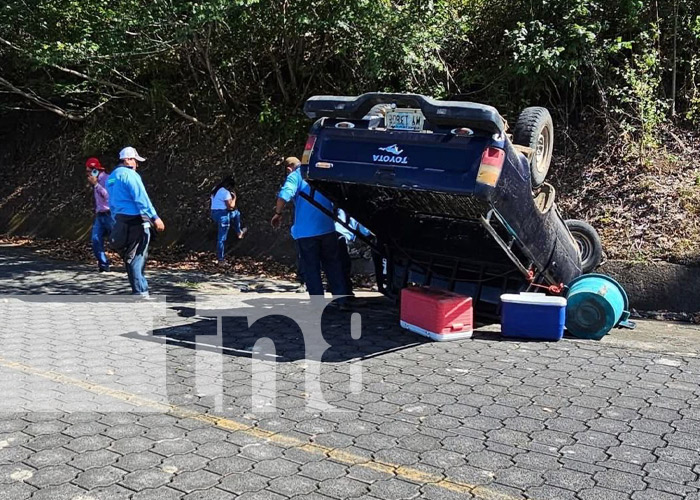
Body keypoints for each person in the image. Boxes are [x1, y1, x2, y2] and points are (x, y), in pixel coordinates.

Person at [271, 162, 348, 303]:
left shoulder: (296, 175)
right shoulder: (325, 171)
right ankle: (342, 300)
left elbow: (284, 194)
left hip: (306, 232)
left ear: (289, 169)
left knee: (311, 268)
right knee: (333, 265)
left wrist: (277, 213)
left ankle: (318, 303)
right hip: (328, 228)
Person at [106, 147, 165, 297]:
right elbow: (141, 198)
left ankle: (138, 289)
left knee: (130, 255)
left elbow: (111, 202)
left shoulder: (111, 177)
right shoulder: (130, 175)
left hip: (120, 221)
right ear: (127, 160)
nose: (136, 165)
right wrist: (155, 217)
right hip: (136, 221)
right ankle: (141, 291)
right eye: (134, 160)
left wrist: (115, 221)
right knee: (137, 256)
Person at [85, 157, 113, 272]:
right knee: (96, 239)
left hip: (110, 214)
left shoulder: (107, 179)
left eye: (88, 171)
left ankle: (130, 260)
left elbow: (108, 197)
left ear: (95, 170)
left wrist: (96, 185)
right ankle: (103, 264)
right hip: (100, 215)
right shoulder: (94, 180)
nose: (87, 174)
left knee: (116, 240)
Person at [334, 208, 371, 296]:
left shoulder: (337, 207)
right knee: (344, 265)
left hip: (328, 234)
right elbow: (365, 231)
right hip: (341, 237)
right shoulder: (355, 211)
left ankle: (338, 289)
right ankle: (345, 294)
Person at [210, 176, 247, 264]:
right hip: (223, 215)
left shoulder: (215, 189)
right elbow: (230, 206)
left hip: (214, 213)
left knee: (236, 214)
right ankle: (221, 259)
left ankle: (239, 232)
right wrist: (234, 198)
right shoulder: (225, 192)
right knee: (221, 238)